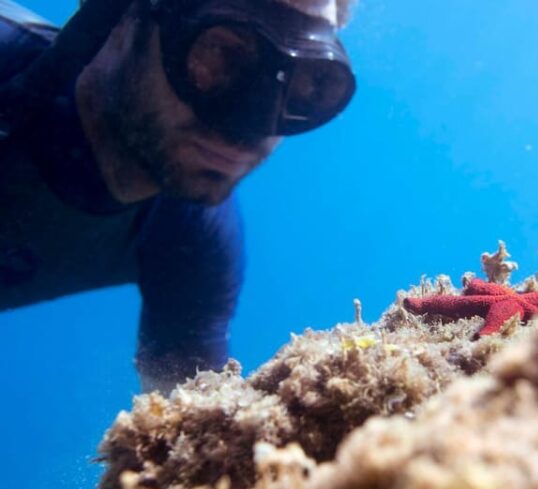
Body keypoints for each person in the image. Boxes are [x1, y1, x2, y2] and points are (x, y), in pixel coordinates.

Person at [0, 0, 356, 392]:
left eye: (308, 82)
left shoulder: (193, 243)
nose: (249, 126)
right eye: (221, 52)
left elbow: (188, 432)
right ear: (117, 20)